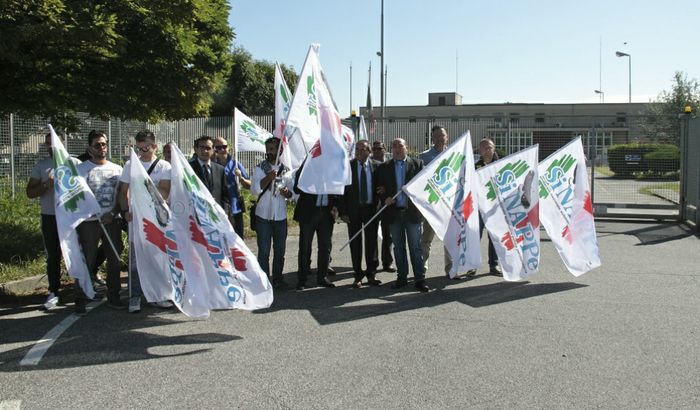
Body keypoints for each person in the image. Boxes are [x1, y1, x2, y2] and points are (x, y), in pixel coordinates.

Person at [119, 130, 172, 313]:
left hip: (157, 219)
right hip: (137, 219)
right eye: (139, 148)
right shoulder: (129, 165)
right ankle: (135, 297)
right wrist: (125, 210)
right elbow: (123, 190)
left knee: (159, 257)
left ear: (154, 146)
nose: (143, 152)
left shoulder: (164, 166)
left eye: (146, 147)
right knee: (135, 260)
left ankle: (160, 295)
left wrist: (149, 195)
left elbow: (165, 190)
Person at [75, 131, 125, 314]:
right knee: (86, 259)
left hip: (111, 221)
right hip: (88, 222)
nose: (102, 148)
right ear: (90, 148)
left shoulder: (117, 169)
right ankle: (80, 297)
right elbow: (76, 198)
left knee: (114, 259)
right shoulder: (81, 170)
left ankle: (114, 296)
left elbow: (122, 197)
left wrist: (113, 213)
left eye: (104, 144)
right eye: (97, 145)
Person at [374, 138, 430, 292]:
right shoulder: (384, 167)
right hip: (394, 214)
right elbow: (379, 187)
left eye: (400, 146)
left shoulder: (418, 165)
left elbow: (424, 186)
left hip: (412, 214)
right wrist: (384, 197)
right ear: (391, 149)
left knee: (415, 248)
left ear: (407, 147)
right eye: (394, 146)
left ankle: (420, 279)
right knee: (398, 248)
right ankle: (402, 277)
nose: (397, 149)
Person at [26, 133, 72, 310]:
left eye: (54, 143)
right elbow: (30, 192)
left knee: (77, 252)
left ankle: (82, 288)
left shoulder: (73, 163)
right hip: (50, 217)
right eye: (48, 144)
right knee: (53, 255)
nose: (51, 146)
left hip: (70, 216)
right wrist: (46, 185)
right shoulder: (42, 165)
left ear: (62, 143)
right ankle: (54, 291)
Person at [251, 137, 294, 289]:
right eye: (267, 148)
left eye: (272, 149)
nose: (269, 152)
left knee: (280, 250)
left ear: (280, 150)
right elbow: (255, 190)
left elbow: (293, 195)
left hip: (280, 216)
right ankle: (264, 281)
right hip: (263, 215)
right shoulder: (260, 168)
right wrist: (268, 178)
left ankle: (278, 278)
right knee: (263, 250)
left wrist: (287, 192)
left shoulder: (287, 171)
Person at [340, 140, 381, 288]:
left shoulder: (377, 166)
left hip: (371, 210)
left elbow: (382, 187)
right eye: (356, 149)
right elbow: (341, 191)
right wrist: (343, 211)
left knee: (372, 243)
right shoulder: (348, 167)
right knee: (355, 243)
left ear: (369, 151)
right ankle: (357, 275)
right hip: (354, 210)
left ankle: (371, 274)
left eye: (362, 149)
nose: (358, 152)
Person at [293, 161, 340, 291]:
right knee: (305, 247)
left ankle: (322, 277)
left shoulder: (332, 167)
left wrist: (336, 206)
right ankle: (302, 280)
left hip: (326, 213)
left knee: (325, 247)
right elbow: (297, 188)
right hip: (309, 213)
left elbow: (338, 189)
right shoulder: (307, 167)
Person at [419, 125, 457, 279]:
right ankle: (421, 268)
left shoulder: (454, 153)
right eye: (436, 136)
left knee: (449, 239)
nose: (440, 138)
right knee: (426, 240)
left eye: (442, 135)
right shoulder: (424, 157)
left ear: (447, 136)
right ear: (432, 138)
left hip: (449, 205)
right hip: (432, 205)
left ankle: (450, 269)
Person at [473, 138, 502, 276]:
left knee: (494, 236)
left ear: (494, 148)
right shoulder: (475, 166)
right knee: (474, 236)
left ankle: (494, 265)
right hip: (478, 208)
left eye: (489, 147)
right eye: (484, 148)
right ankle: (472, 264)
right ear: (479, 150)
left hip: (495, 208)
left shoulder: (501, 165)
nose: (487, 150)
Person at [214, 136, 252, 238]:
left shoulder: (235, 164)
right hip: (218, 208)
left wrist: (241, 177)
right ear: (214, 149)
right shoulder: (212, 165)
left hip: (235, 207)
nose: (222, 150)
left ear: (228, 148)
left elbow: (249, 185)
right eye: (218, 147)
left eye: (224, 146)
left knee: (237, 238)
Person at [371, 140, 395, 273]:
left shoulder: (390, 164)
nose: (376, 151)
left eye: (379, 149)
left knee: (388, 235)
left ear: (384, 150)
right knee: (373, 235)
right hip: (374, 204)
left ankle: (388, 262)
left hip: (387, 204)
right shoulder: (370, 164)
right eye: (374, 149)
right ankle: (373, 263)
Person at [189, 135, 228, 207]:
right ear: (196, 149)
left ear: (213, 150)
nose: (205, 151)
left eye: (208, 148)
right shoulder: (189, 168)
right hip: (196, 212)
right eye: (201, 147)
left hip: (216, 213)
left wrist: (225, 211)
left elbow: (225, 195)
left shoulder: (220, 169)